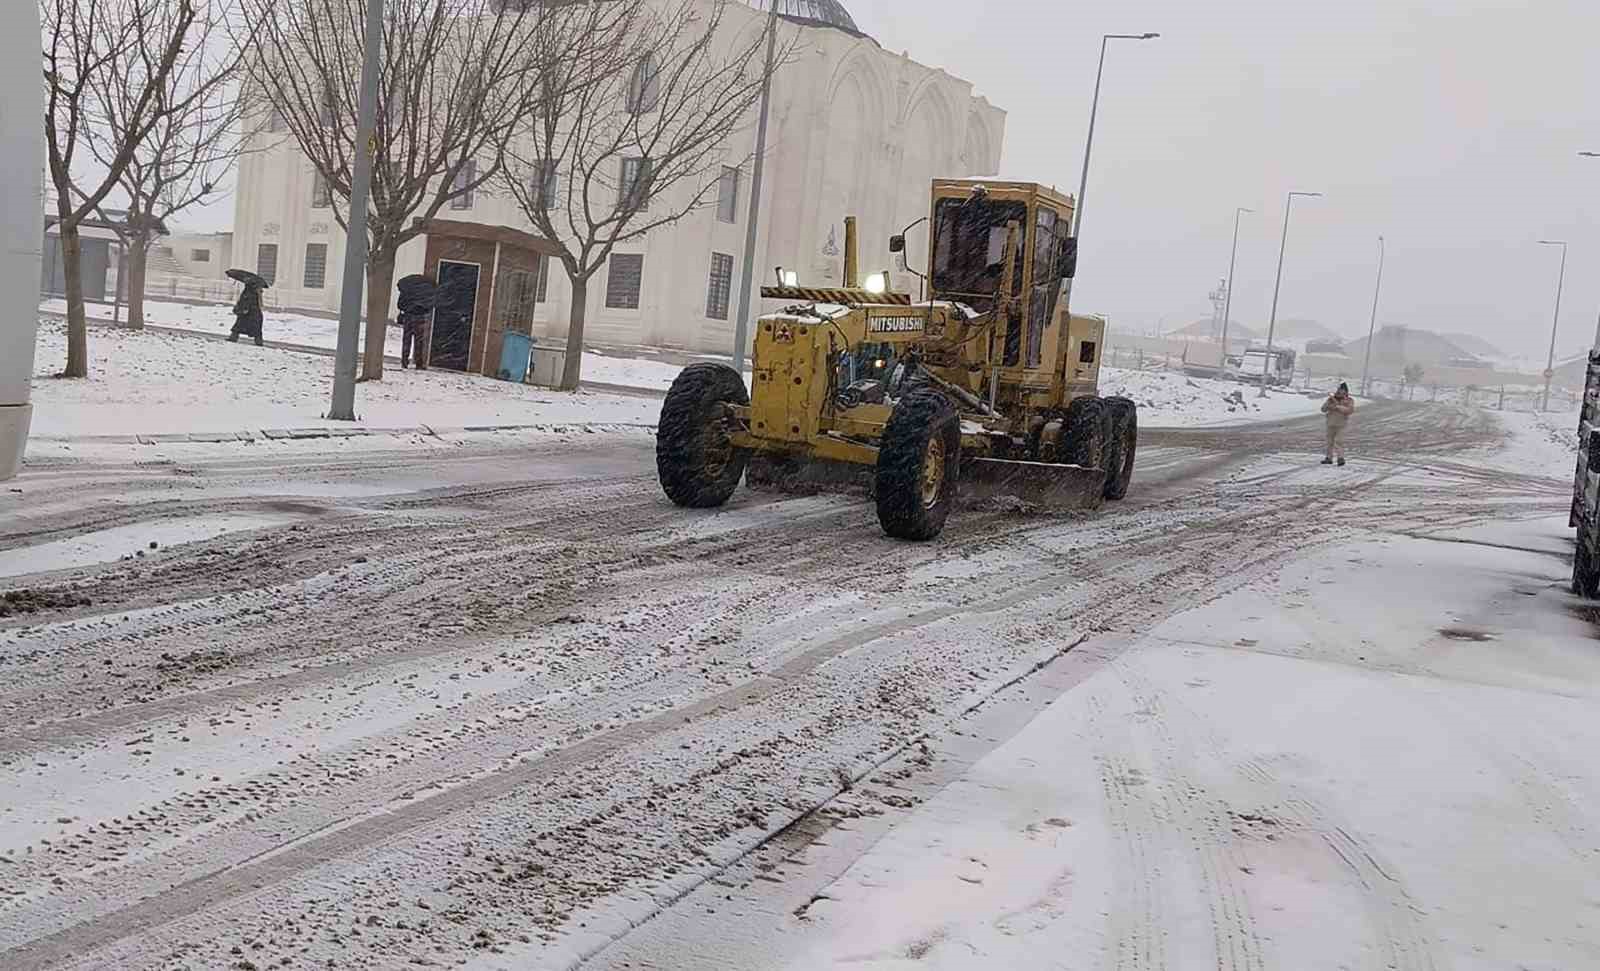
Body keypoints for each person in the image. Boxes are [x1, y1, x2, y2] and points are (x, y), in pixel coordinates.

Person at [1321, 382, 1355, 465]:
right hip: (1330, 423)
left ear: (1345, 391)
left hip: (1341, 424)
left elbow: (1349, 410)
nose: (1339, 391)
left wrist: (1338, 406)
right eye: (1339, 389)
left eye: (1341, 389)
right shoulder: (1331, 399)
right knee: (1329, 442)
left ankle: (1340, 458)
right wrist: (1329, 404)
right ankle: (1328, 458)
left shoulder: (1349, 400)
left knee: (1339, 442)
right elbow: (1323, 409)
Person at [227, 280, 265, 346]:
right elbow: (260, 304)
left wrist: (242, 308)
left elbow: (244, 300)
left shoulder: (249, 291)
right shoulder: (257, 292)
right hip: (255, 313)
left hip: (248, 312)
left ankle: (233, 337)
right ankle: (258, 341)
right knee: (256, 328)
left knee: (239, 325)